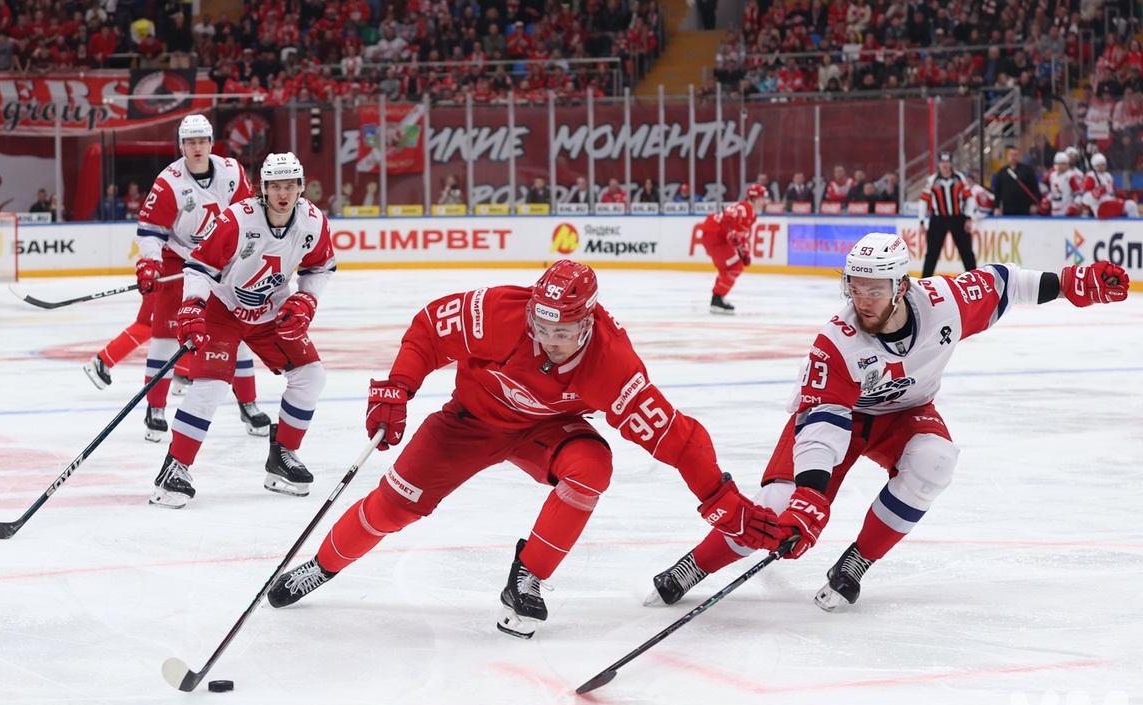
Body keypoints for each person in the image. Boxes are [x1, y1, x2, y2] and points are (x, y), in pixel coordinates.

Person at [265, 259, 768, 640]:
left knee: (592, 465)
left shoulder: (612, 362)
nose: (549, 340)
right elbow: (427, 332)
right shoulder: (501, 313)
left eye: (563, 332)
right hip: (467, 422)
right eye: (542, 328)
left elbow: (676, 437)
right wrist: (398, 387)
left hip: (546, 431)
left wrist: (718, 496)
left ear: (588, 323)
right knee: (392, 506)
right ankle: (322, 566)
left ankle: (527, 578)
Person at [646, 233, 1130, 611]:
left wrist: (1072, 284)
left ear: (902, 286)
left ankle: (857, 562)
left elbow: (1006, 282)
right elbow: (820, 429)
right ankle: (694, 565)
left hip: (906, 413)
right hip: (839, 420)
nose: (862, 299)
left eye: (875, 287)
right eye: (855, 286)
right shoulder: (836, 342)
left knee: (936, 461)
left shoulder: (944, 302)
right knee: (776, 508)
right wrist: (810, 498)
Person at [150, 152, 336, 508]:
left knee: (311, 376)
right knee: (212, 386)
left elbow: (320, 268)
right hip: (223, 310)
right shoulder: (237, 219)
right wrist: (192, 306)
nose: (283, 193)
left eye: (290, 185)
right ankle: (175, 467)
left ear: (301, 187)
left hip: (272, 312)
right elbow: (199, 266)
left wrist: (306, 300)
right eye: (276, 186)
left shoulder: (313, 222)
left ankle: (282, 457)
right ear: (263, 189)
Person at [124, 114, 270, 441]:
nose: (197, 147)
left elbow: (250, 215)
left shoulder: (231, 172)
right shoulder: (168, 182)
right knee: (164, 338)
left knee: (238, 334)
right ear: (182, 146)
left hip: (223, 264)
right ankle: (156, 407)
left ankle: (249, 402)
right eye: (190, 142)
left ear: (211, 142)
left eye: (202, 140)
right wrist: (151, 261)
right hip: (181, 263)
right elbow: (150, 232)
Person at [918, 152, 976, 278]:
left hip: (958, 219)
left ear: (950, 163)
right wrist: (921, 221)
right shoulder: (932, 180)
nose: (945, 165)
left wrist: (969, 217)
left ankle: (975, 280)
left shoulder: (959, 178)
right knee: (932, 253)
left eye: (947, 162)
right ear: (938, 164)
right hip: (938, 220)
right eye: (942, 162)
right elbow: (923, 201)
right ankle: (924, 282)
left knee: (967, 252)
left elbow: (969, 198)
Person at [699, 199, 757, 314]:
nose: (764, 201)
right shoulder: (744, 208)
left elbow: (742, 233)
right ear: (754, 198)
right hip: (715, 237)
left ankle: (717, 298)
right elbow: (727, 218)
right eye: (761, 198)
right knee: (735, 267)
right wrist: (730, 233)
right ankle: (717, 298)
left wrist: (744, 251)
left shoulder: (752, 213)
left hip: (717, 237)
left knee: (727, 269)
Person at [1080, 152, 1140, 218]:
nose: (1101, 167)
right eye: (1098, 165)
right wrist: (1096, 193)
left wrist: (1126, 196)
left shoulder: (1108, 176)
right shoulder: (1090, 177)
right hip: (1101, 207)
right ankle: (1136, 227)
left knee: (1130, 205)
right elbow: (1085, 199)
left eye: (1103, 165)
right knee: (1131, 206)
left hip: (1111, 203)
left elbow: (1114, 192)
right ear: (1094, 166)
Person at [992, 145, 1040, 216]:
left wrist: (1034, 204)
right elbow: (997, 191)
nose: (1013, 157)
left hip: (1025, 210)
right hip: (1007, 210)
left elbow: (1035, 188)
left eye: (1016, 155)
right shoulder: (1002, 172)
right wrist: (997, 207)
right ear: (1007, 156)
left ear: (1020, 156)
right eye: (1011, 155)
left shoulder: (1027, 170)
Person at [1041, 152, 1084, 217]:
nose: (1060, 166)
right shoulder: (1052, 175)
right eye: (1058, 164)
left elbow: (1079, 194)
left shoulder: (1071, 176)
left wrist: (1075, 204)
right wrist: (1047, 198)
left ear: (1067, 164)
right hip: (1054, 209)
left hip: (1067, 210)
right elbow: (1054, 191)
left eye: (1063, 164)